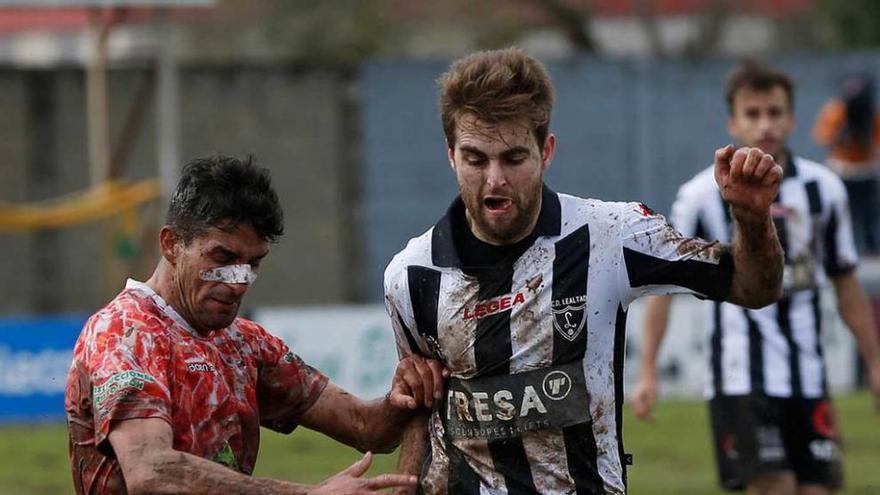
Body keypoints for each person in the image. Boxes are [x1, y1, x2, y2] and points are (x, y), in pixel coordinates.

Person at [383, 48, 784, 495]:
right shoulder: (411, 276)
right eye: (476, 159)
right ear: (451, 156)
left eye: (514, 158)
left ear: (546, 151)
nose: (494, 179)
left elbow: (754, 288)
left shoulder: (613, 235)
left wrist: (751, 218)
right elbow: (419, 408)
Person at [65, 156, 446, 495]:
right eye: (222, 257)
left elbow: (366, 427)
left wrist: (402, 399)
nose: (237, 282)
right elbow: (151, 473)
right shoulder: (124, 334)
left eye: (252, 264)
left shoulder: (244, 343)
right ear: (171, 245)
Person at [631, 61, 880, 495]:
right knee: (774, 488)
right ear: (733, 121)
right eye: (753, 113)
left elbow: (846, 283)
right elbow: (664, 290)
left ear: (792, 119)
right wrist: (648, 369)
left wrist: (875, 362)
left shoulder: (826, 189)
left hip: (809, 374)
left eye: (774, 112)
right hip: (738, 376)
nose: (765, 124)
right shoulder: (700, 197)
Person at [812, 71, 880, 255]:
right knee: (842, 214)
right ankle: (842, 251)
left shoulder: (871, 114)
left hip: (866, 171)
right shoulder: (835, 112)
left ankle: (872, 250)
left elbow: (876, 144)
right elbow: (823, 139)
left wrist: (864, 136)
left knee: (869, 214)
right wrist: (842, 133)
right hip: (841, 170)